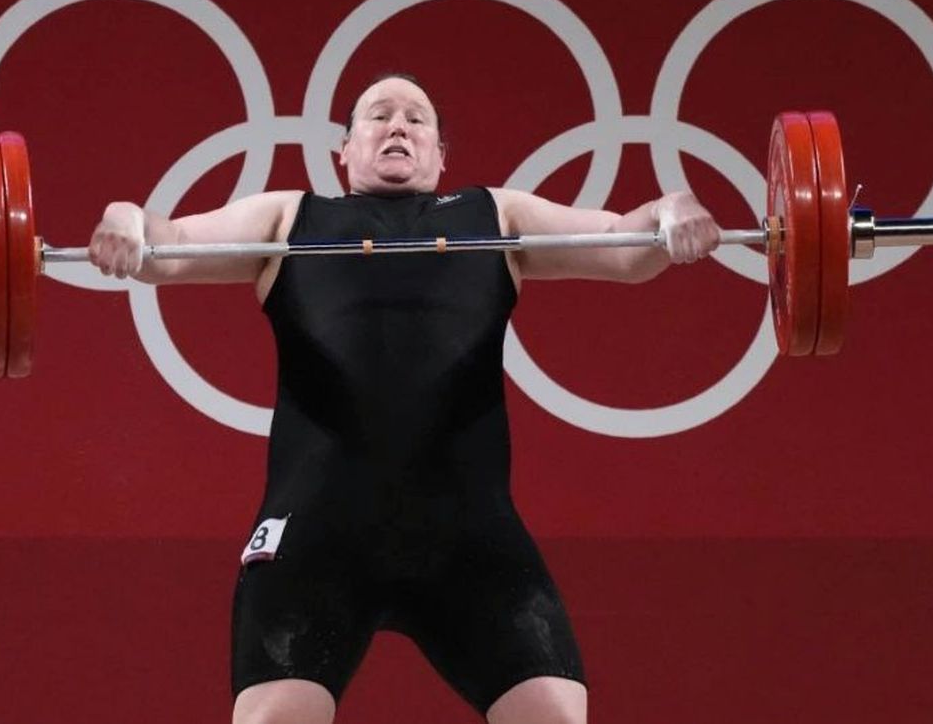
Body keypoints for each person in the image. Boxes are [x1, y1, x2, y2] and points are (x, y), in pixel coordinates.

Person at [88, 73, 721, 724]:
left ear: (440, 155)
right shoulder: (287, 218)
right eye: (379, 115)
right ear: (344, 149)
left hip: (467, 537)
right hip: (318, 535)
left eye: (417, 119)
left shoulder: (497, 216)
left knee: (556, 718)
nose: (398, 126)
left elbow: (625, 246)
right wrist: (126, 219)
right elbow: (168, 248)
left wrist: (670, 211)